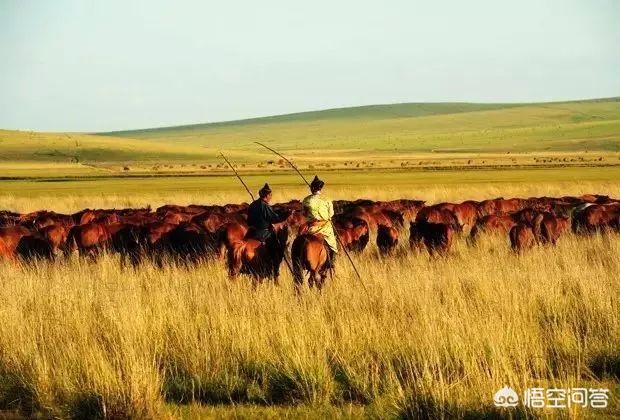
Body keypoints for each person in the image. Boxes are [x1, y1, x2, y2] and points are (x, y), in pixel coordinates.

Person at [302, 175, 338, 267]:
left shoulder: (306, 200)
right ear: (320, 188)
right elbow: (331, 214)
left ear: (312, 188)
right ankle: (331, 262)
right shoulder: (327, 200)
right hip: (325, 227)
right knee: (333, 245)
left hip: (312, 228)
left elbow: (304, 214)